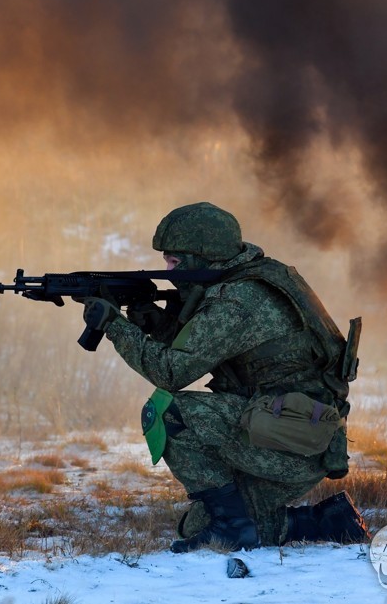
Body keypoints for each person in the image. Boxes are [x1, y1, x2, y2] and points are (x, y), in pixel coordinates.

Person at [81, 202, 369, 552]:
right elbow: (195, 343)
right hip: (289, 430)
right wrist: (144, 315)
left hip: (292, 442)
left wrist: (114, 326)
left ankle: (234, 528)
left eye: (174, 262)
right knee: (197, 526)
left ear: (202, 258)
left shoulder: (238, 300)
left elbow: (171, 372)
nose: (167, 270)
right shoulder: (250, 277)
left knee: (169, 412)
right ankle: (328, 521)